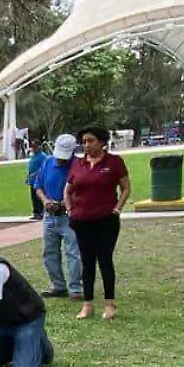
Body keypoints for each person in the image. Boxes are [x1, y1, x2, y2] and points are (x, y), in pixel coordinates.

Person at [64, 127, 131, 321]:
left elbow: (126, 188)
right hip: (82, 220)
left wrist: (117, 208)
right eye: (84, 141)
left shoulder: (114, 162)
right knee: (87, 263)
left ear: (102, 142)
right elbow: (67, 190)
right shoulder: (78, 163)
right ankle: (88, 304)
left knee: (105, 261)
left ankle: (109, 304)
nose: (86, 145)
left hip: (105, 221)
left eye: (90, 141)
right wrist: (70, 210)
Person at [35, 133, 82, 301]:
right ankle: (58, 285)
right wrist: (46, 201)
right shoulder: (48, 162)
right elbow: (38, 186)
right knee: (49, 252)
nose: (61, 160)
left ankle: (76, 288)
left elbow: (83, 192)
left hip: (70, 215)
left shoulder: (79, 165)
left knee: (73, 253)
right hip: (50, 215)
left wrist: (64, 203)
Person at [24, 137, 52, 221]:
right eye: (33, 147)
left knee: (38, 197)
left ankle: (40, 212)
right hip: (32, 180)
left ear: (40, 147)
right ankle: (36, 212)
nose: (34, 148)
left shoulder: (43, 156)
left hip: (39, 180)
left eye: (35, 147)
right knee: (33, 197)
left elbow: (44, 168)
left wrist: (35, 174)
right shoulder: (33, 156)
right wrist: (28, 176)